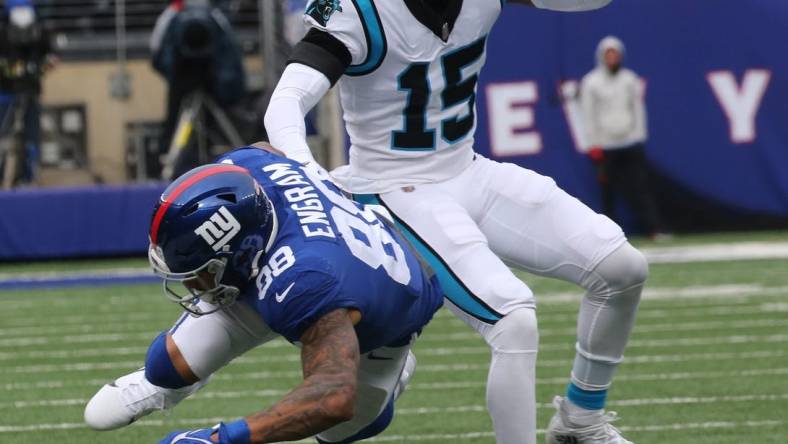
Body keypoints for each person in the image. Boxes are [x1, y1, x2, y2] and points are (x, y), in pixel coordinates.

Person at [263, 1, 648, 443]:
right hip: (393, 187)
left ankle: (581, 421)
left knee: (623, 269)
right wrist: (306, 174)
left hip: (467, 169)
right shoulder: (361, 10)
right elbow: (286, 101)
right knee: (513, 320)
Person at [83, 143, 444, 443]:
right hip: (290, 261)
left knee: (340, 429)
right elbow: (263, 149)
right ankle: (174, 382)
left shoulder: (307, 279)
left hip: (379, 322)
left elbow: (334, 397)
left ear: (239, 252)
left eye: (198, 274)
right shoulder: (249, 170)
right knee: (159, 371)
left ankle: (393, 371)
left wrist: (220, 440)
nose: (190, 286)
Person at [581, 35, 668, 239]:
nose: (612, 58)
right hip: (605, 145)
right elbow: (588, 114)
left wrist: (638, 136)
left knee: (639, 188)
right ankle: (609, 236)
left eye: (615, 54)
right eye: (608, 54)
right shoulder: (591, 82)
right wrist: (593, 144)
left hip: (629, 142)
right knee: (607, 192)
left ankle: (654, 229)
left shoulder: (629, 79)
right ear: (602, 56)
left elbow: (637, 109)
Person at [151, 0, 246, 178]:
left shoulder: (212, 14)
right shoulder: (179, 12)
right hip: (183, 76)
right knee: (175, 124)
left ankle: (216, 162)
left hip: (207, 76)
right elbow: (158, 51)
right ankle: (165, 168)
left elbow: (155, 50)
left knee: (212, 122)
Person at [0, 0, 54, 187]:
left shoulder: (40, 32)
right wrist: (11, 70)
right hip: (6, 94)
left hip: (31, 91)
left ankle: (27, 177)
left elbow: (51, 57)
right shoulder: (3, 33)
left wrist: (39, 68)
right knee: (4, 137)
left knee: (31, 137)